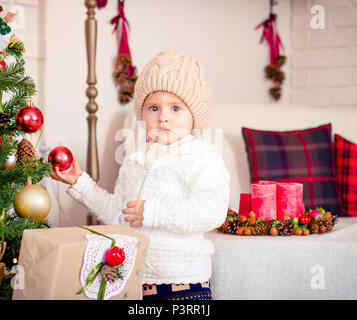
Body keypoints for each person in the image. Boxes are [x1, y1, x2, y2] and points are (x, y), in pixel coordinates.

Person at [51, 48, 230, 300]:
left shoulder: (202, 156)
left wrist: (154, 212)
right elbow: (119, 213)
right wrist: (80, 182)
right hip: (133, 279)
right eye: (153, 108)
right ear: (142, 113)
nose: (163, 118)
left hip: (182, 283)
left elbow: (212, 211)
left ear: (195, 115)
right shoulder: (135, 158)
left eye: (176, 108)